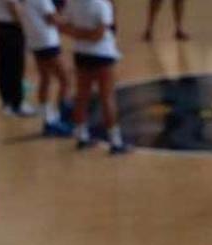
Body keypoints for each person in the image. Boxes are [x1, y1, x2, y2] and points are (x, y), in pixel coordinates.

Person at [60, 0, 127, 154]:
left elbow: (63, 26)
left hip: (81, 54)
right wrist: (88, 34)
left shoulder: (72, 3)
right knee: (107, 97)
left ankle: (81, 136)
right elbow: (98, 35)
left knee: (82, 96)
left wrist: (79, 33)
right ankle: (115, 142)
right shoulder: (102, 5)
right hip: (102, 55)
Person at [11, 0, 71, 135]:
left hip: (36, 42)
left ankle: (48, 121)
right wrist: (71, 22)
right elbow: (52, 19)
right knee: (65, 78)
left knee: (46, 79)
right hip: (47, 43)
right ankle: (62, 118)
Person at [0, 0, 33, 116]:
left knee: (3, 63)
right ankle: (17, 103)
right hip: (10, 26)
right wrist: (25, 25)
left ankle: (6, 102)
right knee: (16, 65)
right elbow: (13, 6)